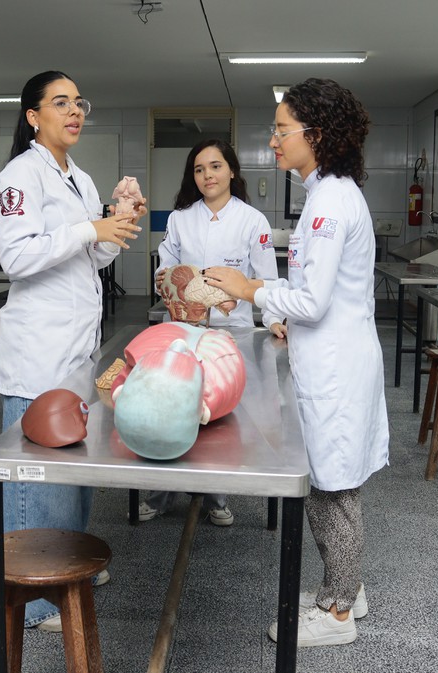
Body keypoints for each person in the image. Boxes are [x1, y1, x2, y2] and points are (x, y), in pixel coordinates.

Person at [203, 78, 389, 647]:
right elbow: (315, 291)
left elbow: (312, 299)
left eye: (282, 129)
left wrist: (253, 288)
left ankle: (336, 613)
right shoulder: (326, 194)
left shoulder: (330, 202)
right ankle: (346, 585)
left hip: (337, 365)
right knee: (333, 482)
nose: (274, 139)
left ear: (317, 133)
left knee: (333, 488)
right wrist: (274, 306)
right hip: (330, 354)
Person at [0, 70, 144, 632]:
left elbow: (92, 261)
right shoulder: (19, 177)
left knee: (73, 472)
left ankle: (69, 569)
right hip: (36, 355)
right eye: (60, 103)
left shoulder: (78, 177)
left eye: (79, 102)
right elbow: (18, 259)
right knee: (36, 480)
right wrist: (89, 230)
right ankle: (33, 601)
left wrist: (115, 226)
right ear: (33, 116)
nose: (74, 112)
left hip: (77, 352)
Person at [139, 138, 282, 527]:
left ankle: (216, 496)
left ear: (232, 170)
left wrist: (271, 321)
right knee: (173, 406)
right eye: (200, 169)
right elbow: (163, 273)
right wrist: (178, 288)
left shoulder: (253, 221)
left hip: (231, 333)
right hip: (184, 330)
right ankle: (160, 493)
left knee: (220, 412)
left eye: (216, 166)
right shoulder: (180, 218)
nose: (208, 175)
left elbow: (266, 280)